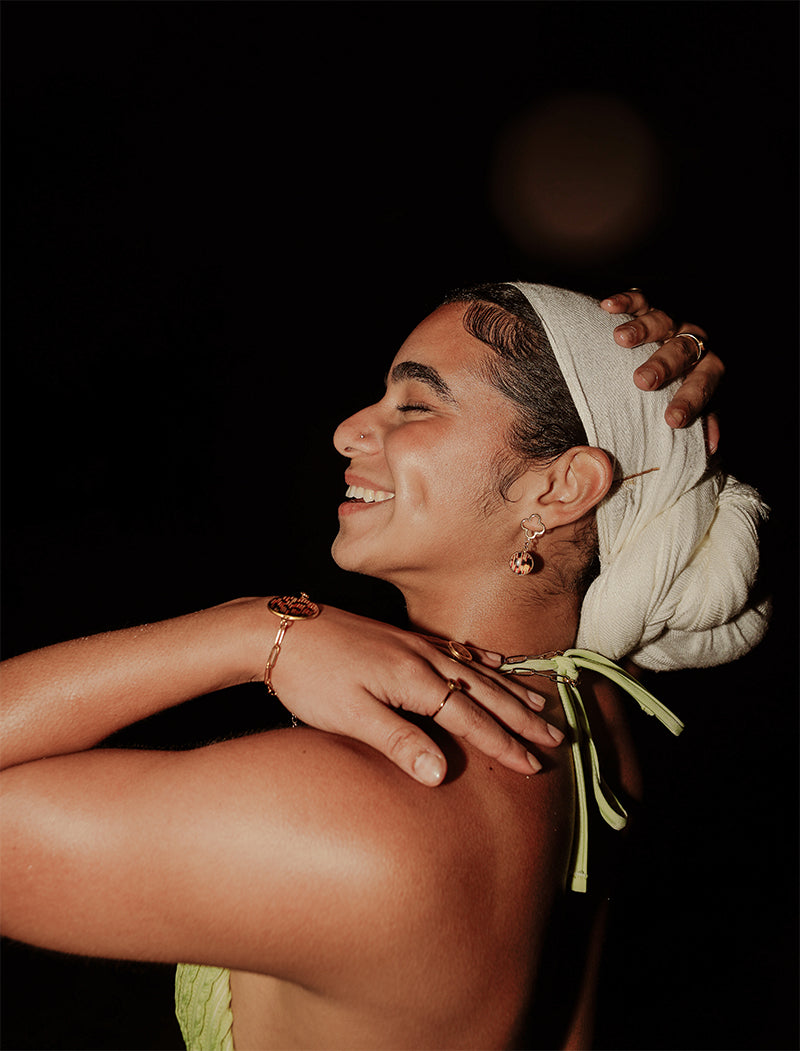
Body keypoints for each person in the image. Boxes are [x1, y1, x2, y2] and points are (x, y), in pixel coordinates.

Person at [0, 285, 764, 1051]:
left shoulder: (357, 817)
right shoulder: (591, 716)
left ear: (561, 486)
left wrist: (256, 631)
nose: (347, 431)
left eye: (415, 406)